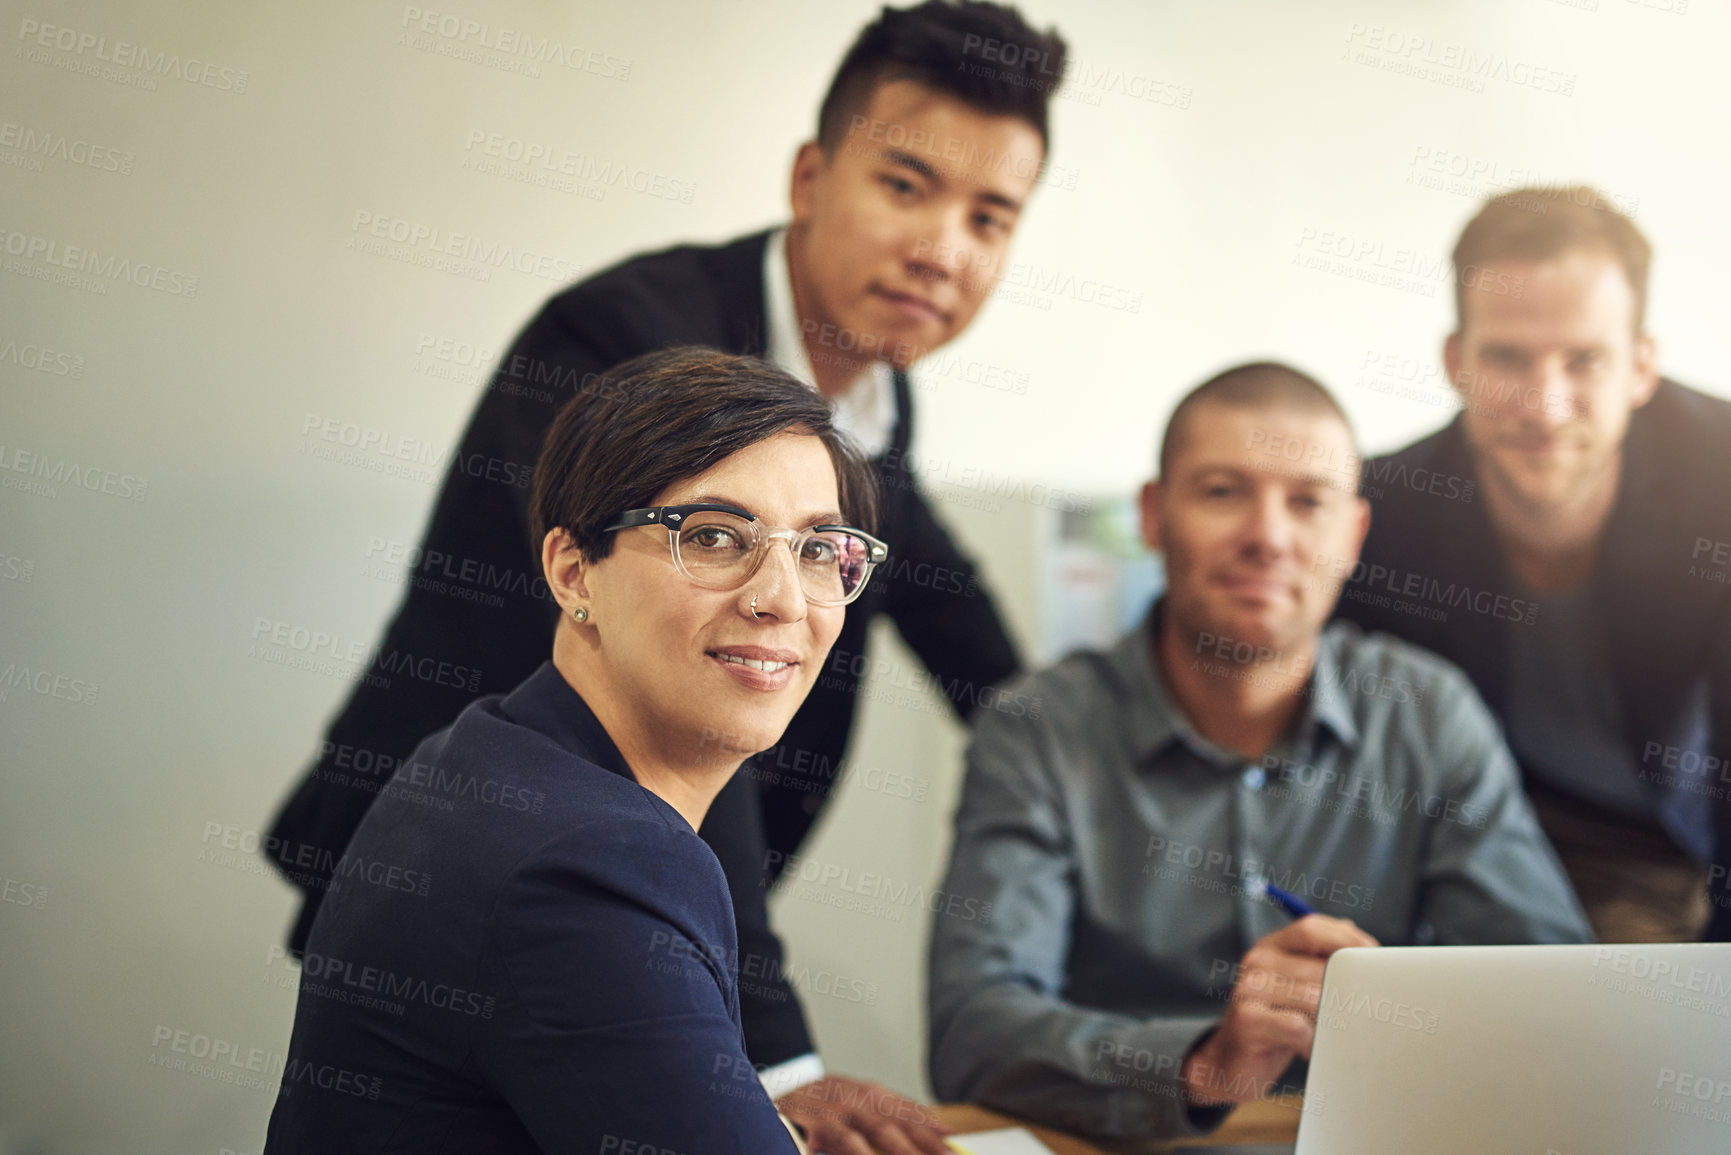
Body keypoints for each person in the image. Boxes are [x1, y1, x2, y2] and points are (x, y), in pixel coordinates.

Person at [265, 0, 1065, 1137]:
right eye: (905, 185)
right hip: (492, 870)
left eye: (991, 216)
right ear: (809, 176)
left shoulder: (872, 393)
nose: (942, 246)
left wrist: (1085, 751)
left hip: (626, 879)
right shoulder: (628, 346)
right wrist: (781, 1058)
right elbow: (697, 680)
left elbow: (941, 593)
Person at [926, 363, 1590, 1144]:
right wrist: (1207, 1062)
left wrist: (1411, 1021)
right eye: (1220, 491)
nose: (1267, 536)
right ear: (1152, 514)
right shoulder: (1038, 729)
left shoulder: (1428, 712)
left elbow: (1556, 1005)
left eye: (1307, 501)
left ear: (1351, 536)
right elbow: (972, 1031)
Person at [264, 349, 887, 1153]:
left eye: (817, 549)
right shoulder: (589, 863)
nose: (779, 599)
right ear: (572, 571)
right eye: (711, 536)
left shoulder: (491, 750)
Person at [1337, 187, 1731, 943]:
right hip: (1516, 839)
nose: (1543, 405)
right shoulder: (1378, 514)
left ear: (1640, 367)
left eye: (1583, 360)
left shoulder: (1720, 483)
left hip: (1684, 837)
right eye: (1507, 357)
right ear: (1455, 361)